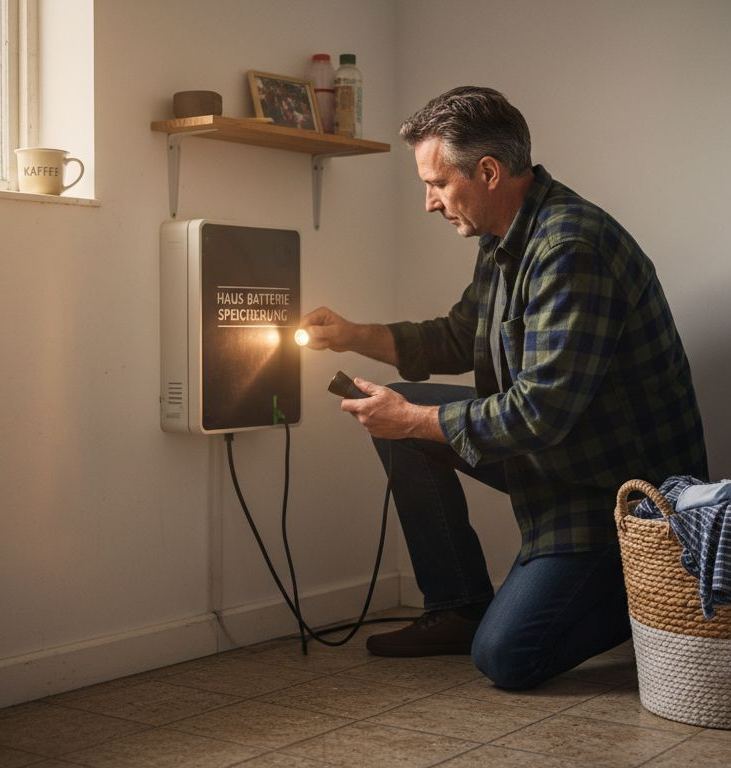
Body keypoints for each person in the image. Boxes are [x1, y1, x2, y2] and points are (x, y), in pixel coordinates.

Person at [298, 86, 708, 690]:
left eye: (437, 183)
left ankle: (650, 589)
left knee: (506, 657)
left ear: (488, 172)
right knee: (400, 414)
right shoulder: (502, 236)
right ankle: (459, 607)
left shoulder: (570, 248)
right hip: (557, 462)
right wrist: (351, 335)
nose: (429, 203)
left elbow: (540, 412)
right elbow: (460, 336)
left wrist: (411, 419)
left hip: (614, 496)